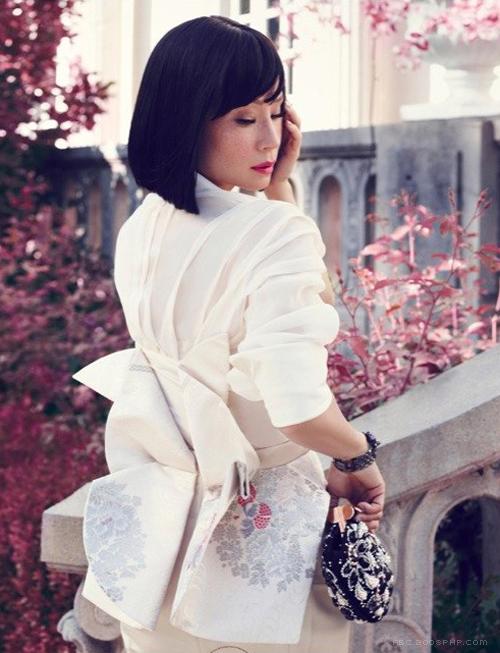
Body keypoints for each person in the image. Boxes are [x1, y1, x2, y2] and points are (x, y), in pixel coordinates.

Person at [72, 14, 385, 653]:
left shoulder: (142, 228)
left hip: (162, 539)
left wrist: (277, 191)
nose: (269, 135)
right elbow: (297, 407)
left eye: (276, 110)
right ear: (186, 121)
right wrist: (357, 457)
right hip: (263, 548)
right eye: (244, 119)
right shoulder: (275, 234)